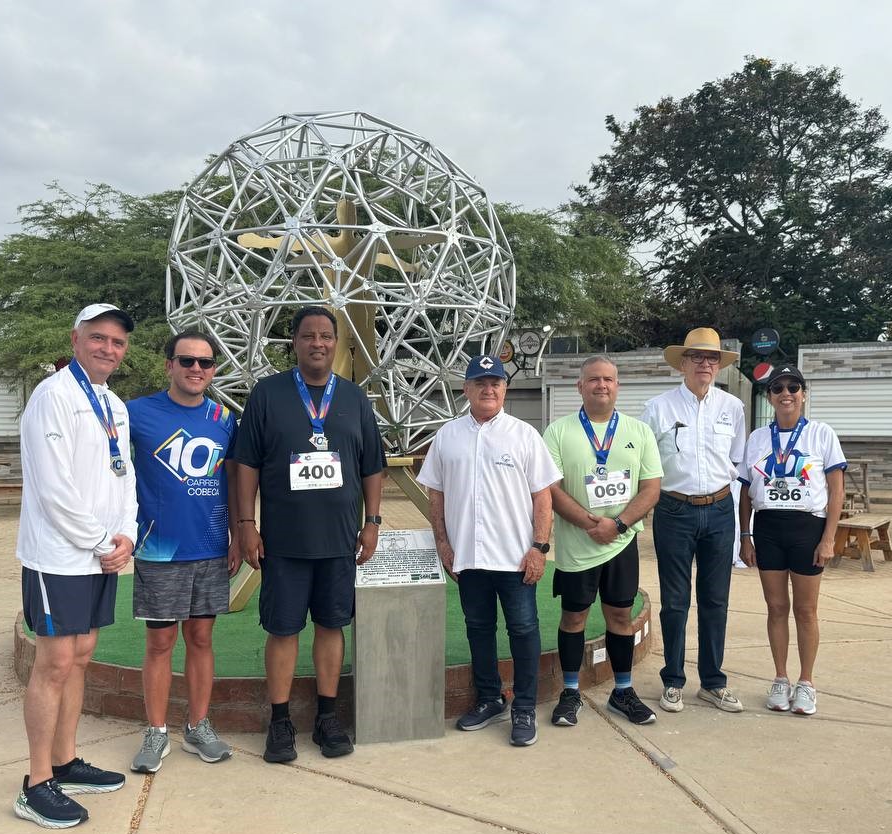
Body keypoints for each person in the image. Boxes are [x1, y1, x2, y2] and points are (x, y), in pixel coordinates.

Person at [233, 305, 386, 762]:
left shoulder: (355, 398)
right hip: (283, 542)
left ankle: (326, 717)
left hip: (339, 541)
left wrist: (372, 523)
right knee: (283, 629)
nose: (318, 343)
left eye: (326, 336)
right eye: (308, 336)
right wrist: (246, 525)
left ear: (336, 343)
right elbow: (246, 464)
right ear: (294, 343)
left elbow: (372, 466)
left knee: (331, 625)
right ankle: (279, 723)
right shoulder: (268, 394)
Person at [14, 303, 136, 829]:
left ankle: (65, 760)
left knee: (82, 655)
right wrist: (96, 540)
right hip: (59, 556)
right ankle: (36, 782)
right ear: (76, 338)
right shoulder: (53, 396)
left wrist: (126, 533)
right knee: (55, 663)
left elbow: (124, 476)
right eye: (98, 338)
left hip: (101, 554)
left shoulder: (114, 404)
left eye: (117, 342)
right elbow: (53, 486)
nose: (108, 348)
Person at [417, 355, 561, 747]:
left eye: (495, 382)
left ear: (505, 389)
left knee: (523, 631)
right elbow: (436, 494)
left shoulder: (524, 435)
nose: (488, 389)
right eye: (479, 382)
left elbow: (542, 498)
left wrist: (539, 547)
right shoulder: (448, 436)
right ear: (466, 390)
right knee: (479, 631)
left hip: (515, 559)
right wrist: (443, 543)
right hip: (469, 558)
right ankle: (489, 698)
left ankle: (525, 707)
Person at [126, 330, 241, 772]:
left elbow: (232, 480)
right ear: (168, 365)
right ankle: (156, 733)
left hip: (210, 548)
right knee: (160, 641)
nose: (197, 370)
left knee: (201, 638)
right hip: (158, 550)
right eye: (187, 361)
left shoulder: (223, 418)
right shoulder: (136, 412)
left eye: (206, 363)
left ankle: (197, 726)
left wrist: (235, 533)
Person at [543, 357, 663, 727]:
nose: (601, 385)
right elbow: (551, 488)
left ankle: (623, 691)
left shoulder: (638, 431)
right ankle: (569, 692)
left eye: (608, 379)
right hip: (577, 544)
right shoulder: (558, 431)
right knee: (574, 616)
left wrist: (619, 524)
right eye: (593, 379)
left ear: (617, 386)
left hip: (621, 543)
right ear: (580, 386)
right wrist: (589, 523)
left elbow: (651, 487)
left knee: (620, 617)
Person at [640, 327, 746, 714]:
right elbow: (646, 464)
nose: (705, 364)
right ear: (682, 363)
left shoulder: (732, 407)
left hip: (719, 509)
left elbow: (735, 461)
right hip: (674, 509)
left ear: (719, 365)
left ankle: (713, 682)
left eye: (712, 358)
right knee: (675, 601)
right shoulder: (658, 408)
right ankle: (673, 680)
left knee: (716, 600)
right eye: (697, 357)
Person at [738, 365, 845, 716]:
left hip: (806, 529)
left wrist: (828, 538)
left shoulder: (821, 433)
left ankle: (807, 682)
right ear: (769, 396)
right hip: (768, 528)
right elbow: (745, 493)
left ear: (803, 393)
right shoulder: (756, 437)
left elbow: (836, 490)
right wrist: (745, 536)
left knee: (806, 610)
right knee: (776, 608)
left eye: (793, 387)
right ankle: (780, 678)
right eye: (778, 387)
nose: (786, 393)